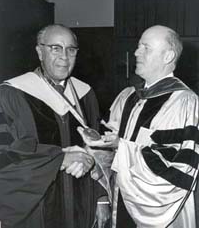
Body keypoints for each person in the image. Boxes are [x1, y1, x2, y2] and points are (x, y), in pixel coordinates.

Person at [78, 25, 199, 228]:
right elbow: (106, 153)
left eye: (146, 48)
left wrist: (121, 146)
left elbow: (177, 168)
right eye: (138, 46)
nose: (136, 52)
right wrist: (98, 142)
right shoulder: (127, 97)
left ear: (168, 56)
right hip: (120, 200)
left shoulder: (184, 103)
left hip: (159, 212)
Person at [0, 24, 110, 228]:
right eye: (55, 48)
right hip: (35, 209)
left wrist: (102, 197)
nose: (64, 56)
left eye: (71, 49)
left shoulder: (86, 94)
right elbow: (4, 158)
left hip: (82, 205)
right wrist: (60, 160)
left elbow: (101, 150)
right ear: (40, 52)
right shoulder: (11, 94)